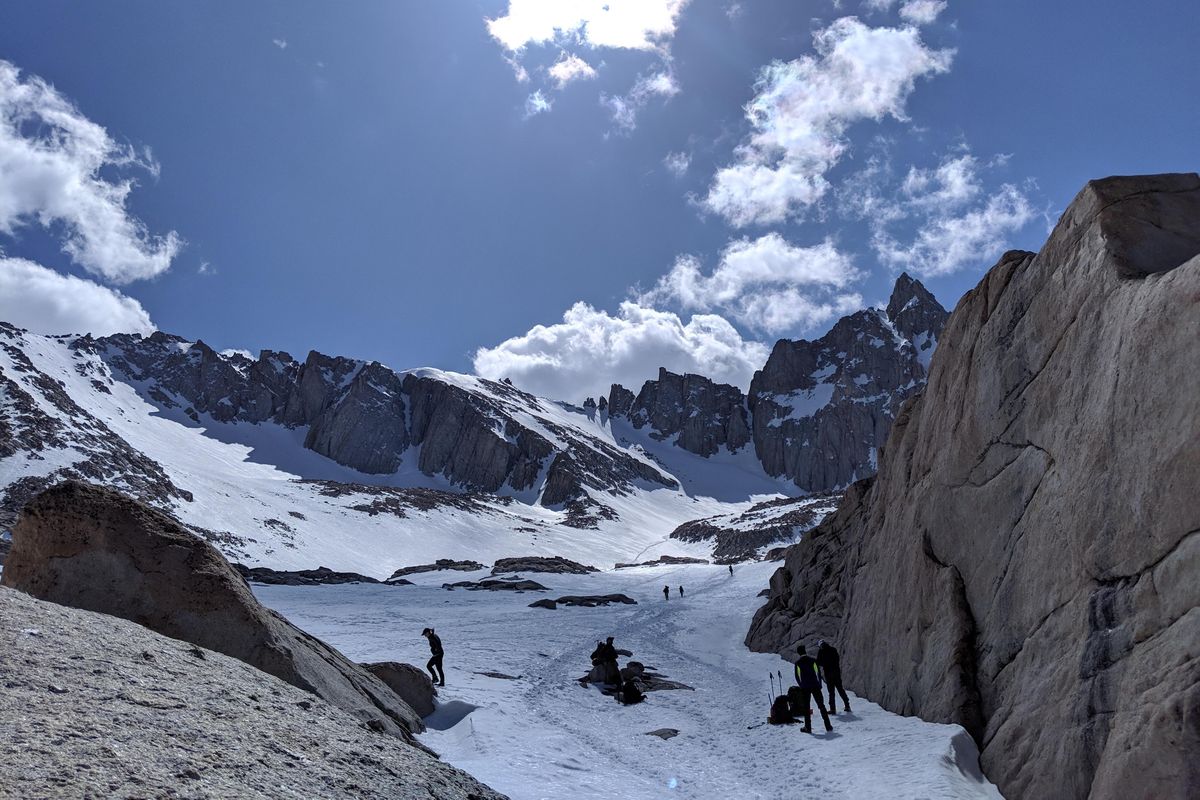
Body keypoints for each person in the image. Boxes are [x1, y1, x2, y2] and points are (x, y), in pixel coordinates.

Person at [793, 645, 832, 733]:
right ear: (805, 651)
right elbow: (818, 673)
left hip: (805, 687)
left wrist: (801, 685)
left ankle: (808, 727)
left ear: (799, 653)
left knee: (806, 708)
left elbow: (797, 677)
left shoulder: (798, 663)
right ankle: (828, 725)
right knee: (821, 706)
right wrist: (819, 685)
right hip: (815, 685)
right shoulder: (813, 660)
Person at [817, 640, 851, 713]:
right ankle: (847, 705)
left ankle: (833, 709)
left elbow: (818, 662)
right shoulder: (833, 649)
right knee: (840, 689)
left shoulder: (821, 652)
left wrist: (824, 664)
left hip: (828, 674)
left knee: (831, 692)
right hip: (836, 673)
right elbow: (837, 660)